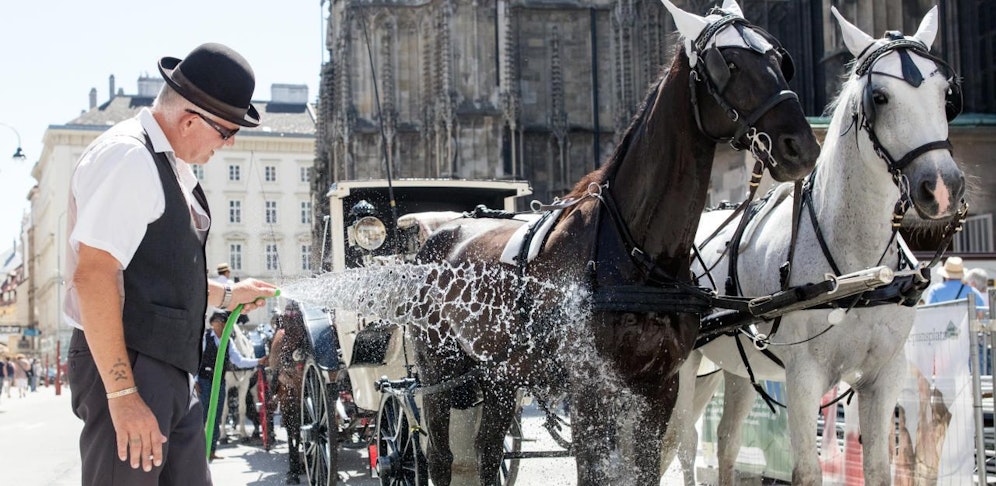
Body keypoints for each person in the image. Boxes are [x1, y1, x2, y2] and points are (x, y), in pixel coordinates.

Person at [64, 43, 278, 486]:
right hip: (132, 364)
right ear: (189, 120)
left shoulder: (166, 163)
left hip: (166, 369)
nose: (231, 142)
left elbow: (156, 274)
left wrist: (226, 295)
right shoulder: (130, 158)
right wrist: (123, 394)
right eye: (227, 131)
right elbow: (94, 274)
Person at [197, 311, 267, 460]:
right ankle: (199, 451)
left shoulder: (228, 342)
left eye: (222, 323)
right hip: (204, 380)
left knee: (216, 415)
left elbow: (239, 360)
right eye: (217, 323)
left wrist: (257, 361)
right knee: (203, 415)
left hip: (219, 382)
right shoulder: (205, 339)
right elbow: (197, 359)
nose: (220, 326)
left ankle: (211, 449)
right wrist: (195, 380)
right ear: (212, 324)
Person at [268, 301, 311, 484]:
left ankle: (308, 460)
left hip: (305, 381)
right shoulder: (283, 337)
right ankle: (294, 466)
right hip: (290, 384)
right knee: (292, 419)